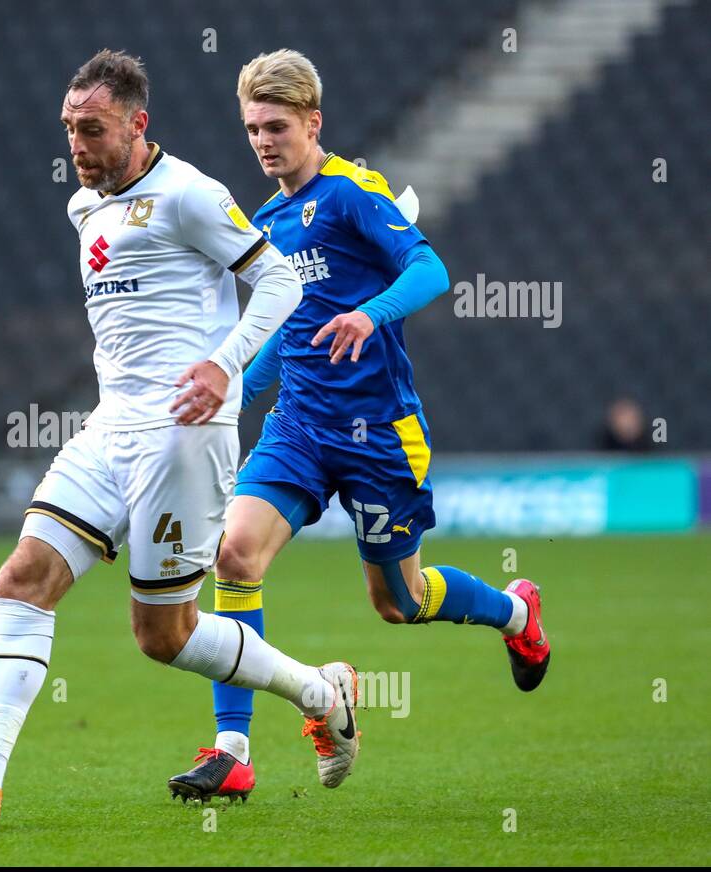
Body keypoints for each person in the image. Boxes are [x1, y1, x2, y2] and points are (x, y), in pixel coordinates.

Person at [0, 49, 357, 828]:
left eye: (91, 129)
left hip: (183, 434)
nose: (76, 144)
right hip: (109, 427)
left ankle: (320, 693)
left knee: (162, 636)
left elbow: (281, 283)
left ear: (137, 124)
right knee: (23, 575)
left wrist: (226, 368)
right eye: (68, 128)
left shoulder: (191, 195)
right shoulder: (83, 206)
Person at [167, 50, 550, 804]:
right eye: (251, 129)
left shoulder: (352, 192)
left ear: (314, 122)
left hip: (379, 432)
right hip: (300, 427)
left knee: (397, 602)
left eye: (276, 126)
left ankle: (516, 611)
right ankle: (233, 750)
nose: (263, 141)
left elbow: (431, 269)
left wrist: (369, 314)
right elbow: (285, 335)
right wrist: (231, 388)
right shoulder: (269, 221)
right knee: (235, 556)